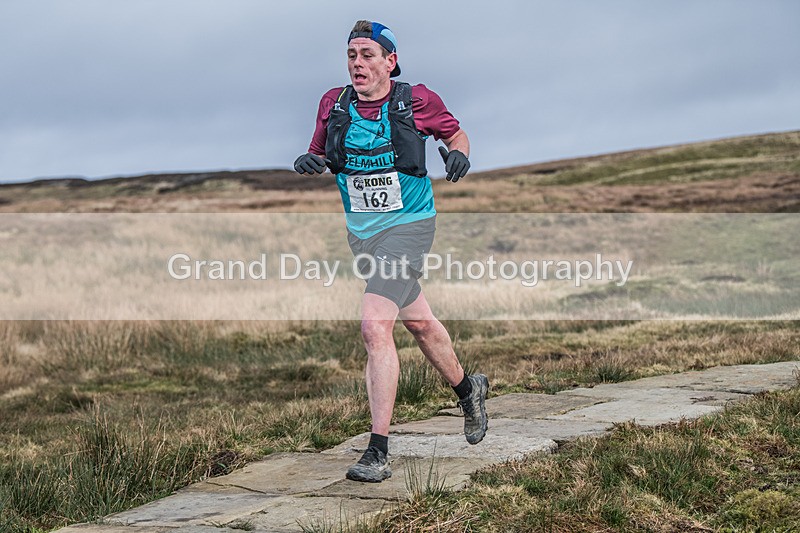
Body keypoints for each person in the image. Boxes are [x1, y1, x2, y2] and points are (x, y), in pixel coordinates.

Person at [293, 20, 488, 483]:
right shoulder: (333, 103)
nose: (356, 63)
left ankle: (377, 450)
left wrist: (458, 154)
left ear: (389, 61)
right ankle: (468, 389)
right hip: (363, 234)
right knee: (418, 322)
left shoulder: (416, 100)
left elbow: (454, 134)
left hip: (411, 228)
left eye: (366, 54)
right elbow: (318, 151)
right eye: (351, 54)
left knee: (373, 325)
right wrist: (309, 161)